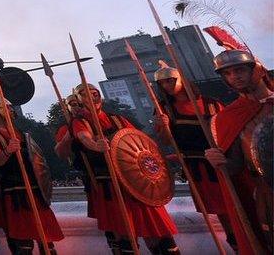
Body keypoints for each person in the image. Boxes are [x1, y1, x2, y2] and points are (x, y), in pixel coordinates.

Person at [71, 83, 179, 255]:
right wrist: (95, 145)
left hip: (138, 184)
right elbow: (85, 138)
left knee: (161, 237)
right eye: (85, 95)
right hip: (112, 185)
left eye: (95, 93)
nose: (92, 97)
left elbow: (139, 142)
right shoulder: (80, 122)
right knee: (125, 238)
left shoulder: (118, 119)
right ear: (79, 100)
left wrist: (160, 149)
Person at [151, 60, 235, 249]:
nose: (167, 85)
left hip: (223, 162)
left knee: (239, 204)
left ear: (181, 79)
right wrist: (164, 126)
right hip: (198, 168)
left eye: (171, 80)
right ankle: (236, 243)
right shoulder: (164, 108)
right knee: (223, 211)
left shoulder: (210, 103)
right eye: (162, 83)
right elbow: (167, 141)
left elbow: (229, 130)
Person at [205, 49, 274, 254]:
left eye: (239, 69)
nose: (234, 77)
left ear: (257, 69)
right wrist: (218, 161)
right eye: (227, 73)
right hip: (267, 194)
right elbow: (235, 167)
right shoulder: (227, 118)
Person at [0, 92, 63, 254]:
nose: (11, 110)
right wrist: (7, 151)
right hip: (16, 192)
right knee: (23, 243)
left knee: (47, 241)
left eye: (11, 107)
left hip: (34, 189)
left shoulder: (21, 133)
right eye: (6, 107)